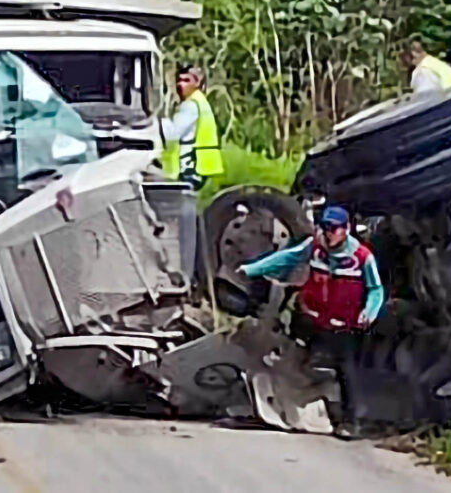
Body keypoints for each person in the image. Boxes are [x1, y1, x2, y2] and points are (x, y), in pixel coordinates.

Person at [236, 205, 384, 437]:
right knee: (293, 354)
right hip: (312, 317)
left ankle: (350, 422)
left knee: (347, 371)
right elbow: (287, 258)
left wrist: (370, 311)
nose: (327, 234)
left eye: (333, 229)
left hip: (344, 326)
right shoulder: (314, 247)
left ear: (346, 229)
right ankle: (281, 399)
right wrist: (253, 269)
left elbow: (375, 289)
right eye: (324, 228)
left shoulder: (362, 258)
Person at [160, 65, 224, 190]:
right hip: (200, 166)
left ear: (197, 83)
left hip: (190, 165)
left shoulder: (191, 105)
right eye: (179, 80)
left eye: (186, 80)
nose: (180, 84)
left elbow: (172, 132)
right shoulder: (200, 101)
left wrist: (155, 124)